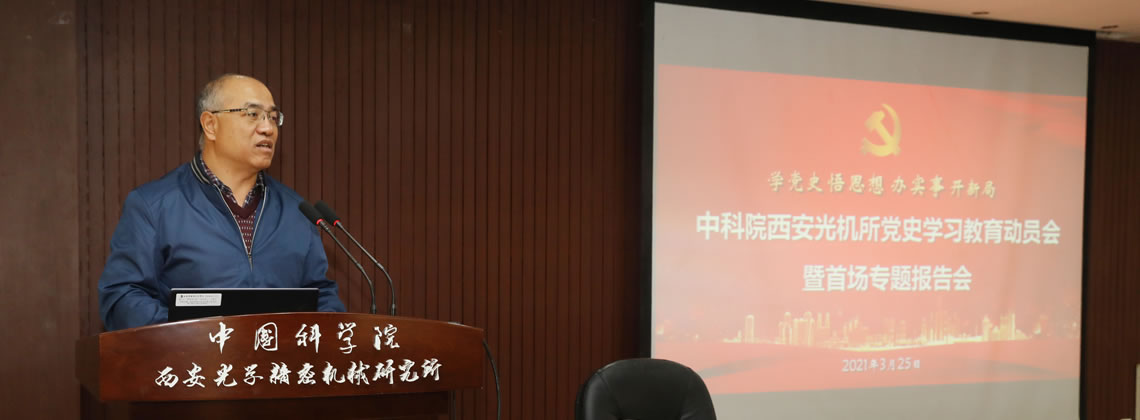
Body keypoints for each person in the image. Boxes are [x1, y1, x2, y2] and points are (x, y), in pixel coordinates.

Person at [98, 74, 345, 331]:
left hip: (278, 356)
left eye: (273, 117)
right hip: (188, 355)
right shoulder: (154, 206)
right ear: (210, 125)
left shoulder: (297, 212)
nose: (268, 128)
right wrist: (199, 335)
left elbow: (322, 297)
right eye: (253, 114)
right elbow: (122, 298)